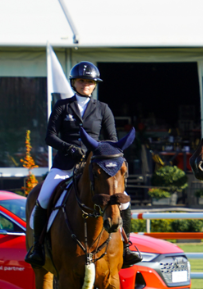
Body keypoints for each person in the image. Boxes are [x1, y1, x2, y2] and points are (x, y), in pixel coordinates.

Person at [25, 62, 141, 269]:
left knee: (122, 201)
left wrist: (98, 154)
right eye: (81, 81)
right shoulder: (62, 106)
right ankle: (38, 247)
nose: (85, 84)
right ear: (74, 83)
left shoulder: (103, 109)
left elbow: (112, 140)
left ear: (94, 85)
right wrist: (70, 149)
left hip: (95, 167)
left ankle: (126, 246)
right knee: (42, 198)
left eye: (89, 82)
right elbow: (50, 137)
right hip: (65, 166)